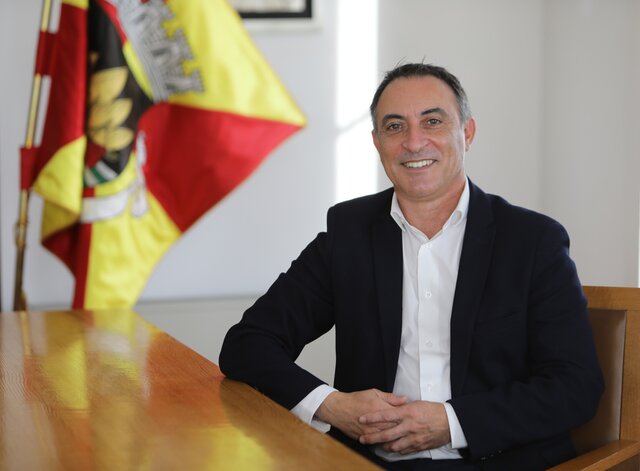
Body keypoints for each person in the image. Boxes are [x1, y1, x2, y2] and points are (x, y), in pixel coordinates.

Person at [219, 63, 603, 470]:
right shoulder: (348, 234)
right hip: (370, 463)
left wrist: (452, 423)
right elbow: (248, 343)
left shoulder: (532, 241)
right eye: (395, 126)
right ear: (377, 142)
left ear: (467, 133)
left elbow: (575, 386)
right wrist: (332, 405)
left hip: (498, 462)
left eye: (432, 121)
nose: (414, 142)